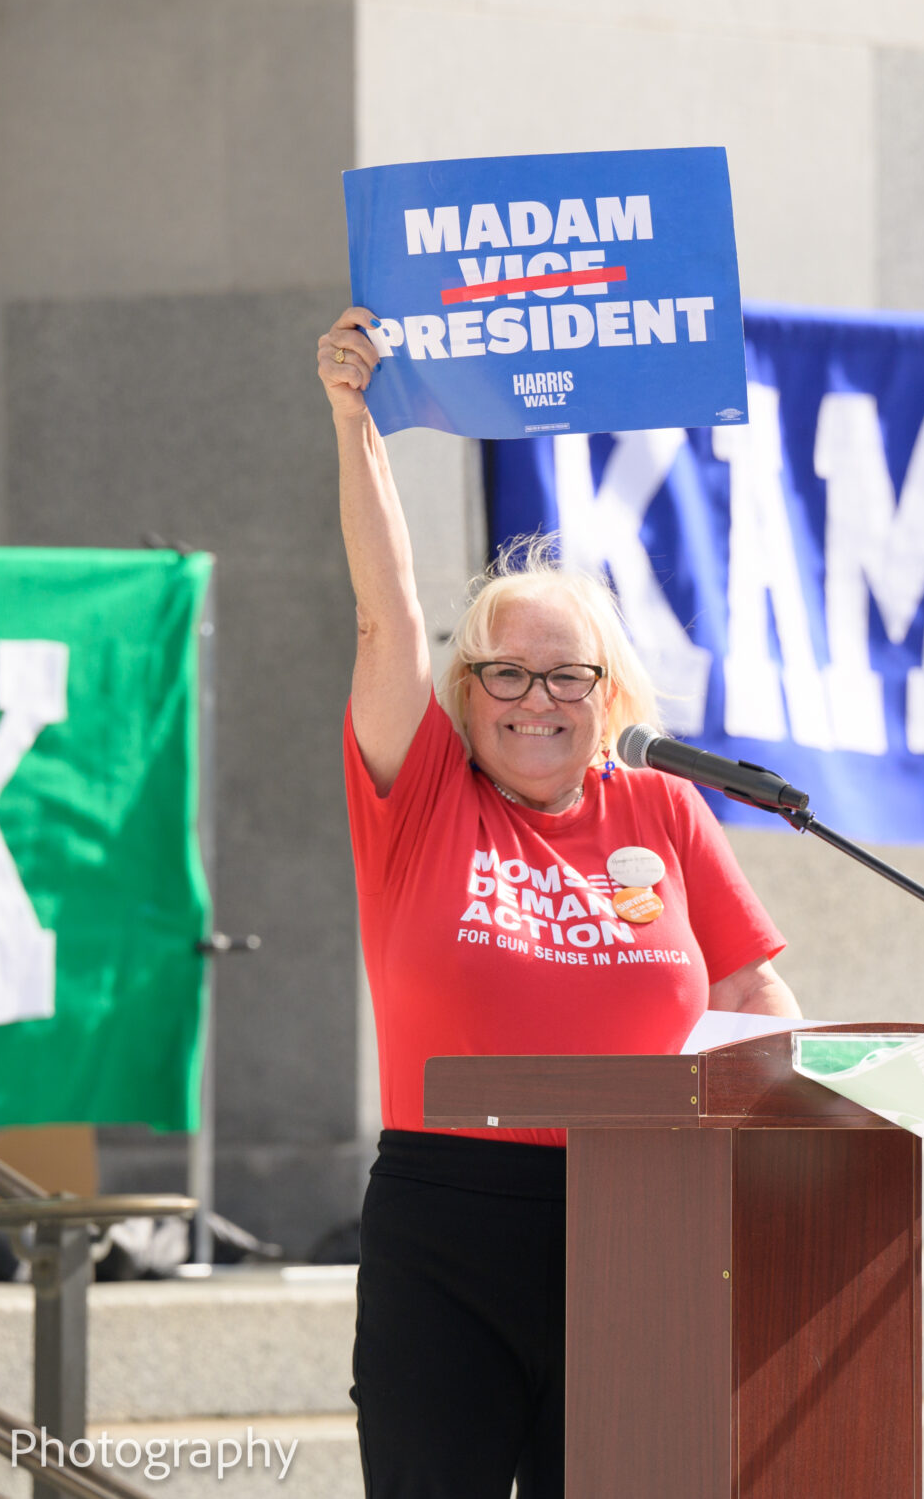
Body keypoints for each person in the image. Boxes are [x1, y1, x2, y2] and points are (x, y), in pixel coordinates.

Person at [317, 308, 802, 1498]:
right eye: (505, 673)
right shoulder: (421, 795)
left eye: (567, 674)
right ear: (464, 692)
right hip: (453, 1223)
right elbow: (382, 614)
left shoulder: (662, 808)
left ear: (608, 689)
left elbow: (749, 988)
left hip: (645, 1212)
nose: (537, 698)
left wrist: (771, 1128)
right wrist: (353, 421)